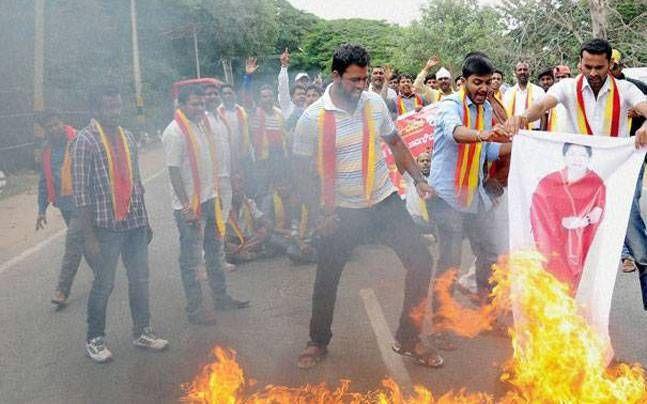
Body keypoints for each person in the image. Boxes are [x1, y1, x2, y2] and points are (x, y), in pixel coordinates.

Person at [293, 44, 441, 369]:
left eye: (364, 80)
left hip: (383, 202)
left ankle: (409, 338)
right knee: (327, 277)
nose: (361, 87)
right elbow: (300, 173)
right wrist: (320, 213)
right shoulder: (311, 118)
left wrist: (418, 179)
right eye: (354, 80)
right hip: (341, 211)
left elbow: (396, 143)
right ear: (336, 76)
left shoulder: (374, 103)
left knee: (420, 261)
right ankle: (317, 341)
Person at [504, 38, 647, 309]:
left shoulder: (626, 89)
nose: (593, 73)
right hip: (576, 186)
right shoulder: (567, 88)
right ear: (579, 63)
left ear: (610, 65)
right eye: (587, 66)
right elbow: (542, 105)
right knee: (568, 252)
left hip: (614, 182)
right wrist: (522, 117)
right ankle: (566, 312)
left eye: (599, 67)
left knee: (639, 248)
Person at [73, 85, 168, 363]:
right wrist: (89, 238)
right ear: (95, 109)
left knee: (140, 279)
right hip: (106, 227)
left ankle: (142, 332)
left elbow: (137, 183)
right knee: (104, 283)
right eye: (107, 107)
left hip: (135, 223)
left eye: (117, 106)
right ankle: (95, 339)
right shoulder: (85, 140)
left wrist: (146, 220)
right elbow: (81, 194)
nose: (114, 112)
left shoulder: (127, 136)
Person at [428, 52, 512, 304]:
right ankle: (441, 324)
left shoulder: (486, 108)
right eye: (478, 82)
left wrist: (520, 143)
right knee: (450, 261)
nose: (484, 88)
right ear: (463, 81)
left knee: (490, 254)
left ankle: (487, 309)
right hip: (446, 197)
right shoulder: (449, 105)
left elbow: (489, 152)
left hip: (475, 196)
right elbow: (456, 133)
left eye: (488, 83)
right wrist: (485, 134)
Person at [162, 85, 249, 327]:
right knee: (190, 260)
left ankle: (221, 297)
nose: (200, 108)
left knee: (215, 251)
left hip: (210, 199)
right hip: (190, 206)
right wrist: (187, 207)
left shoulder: (203, 125)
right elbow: (174, 172)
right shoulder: (175, 132)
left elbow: (209, 162)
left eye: (201, 104)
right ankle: (195, 309)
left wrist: (217, 193)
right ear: (181, 105)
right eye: (195, 104)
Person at [530, 143, 605, 292]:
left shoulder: (596, 181)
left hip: (583, 237)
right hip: (553, 238)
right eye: (572, 154)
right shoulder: (549, 180)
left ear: (589, 158)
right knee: (552, 277)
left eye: (582, 155)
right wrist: (557, 224)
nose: (577, 159)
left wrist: (583, 221)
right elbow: (537, 209)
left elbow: (599, 208)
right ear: (564, 157)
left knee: (578, 281)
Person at [36, 110, 84, 307]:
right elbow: (43, 181)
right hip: (65, 206)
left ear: (63, 123)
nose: (54, 129)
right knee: (86, 246)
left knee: (73, 245)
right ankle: (103, 274)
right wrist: (41, 209)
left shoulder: (79, 140)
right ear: (45, 130)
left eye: (56, 124)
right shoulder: (46, 151)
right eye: (49, 127)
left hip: (85, 204)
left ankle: (62, 290)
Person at [250, 84, 288, 199]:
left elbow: (283, 135)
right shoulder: (254, 113)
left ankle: (279, 216)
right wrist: (248, 77)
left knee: (280, 190)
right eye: (264, 96)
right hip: (262, 159)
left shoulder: (279, 113)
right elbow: (246, 98)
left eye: (270, 96)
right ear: (259, 99)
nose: (268, 99)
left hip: (279, 157)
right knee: (263, 191)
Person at [217, 83, 252, 181]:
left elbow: (248, 132)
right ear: (221, 96)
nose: (227, 96)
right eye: (224, 94)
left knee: (243, 180)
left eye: (229, 93)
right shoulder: (217, 112)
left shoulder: (241, 111)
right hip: (225, 155)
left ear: (234, 95)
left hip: (241, 153)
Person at [503, 61, 545, 129]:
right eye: (519, 70)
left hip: (534, 133)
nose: (522, 72)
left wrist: (542, 134)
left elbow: (543, 115)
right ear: (515, 73)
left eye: (525, 69)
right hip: (513, 131)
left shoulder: (539, 91)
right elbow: (504, 115)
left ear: (529, 72)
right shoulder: (508, 92)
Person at [404, 151, 435, 236]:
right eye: (422, 161)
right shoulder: (410, 177)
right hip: (416, 220)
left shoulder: (436, 178)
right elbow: (402, 161)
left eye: (428, 161)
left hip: (434, 220)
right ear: (416, 164)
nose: (425, 163)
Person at [278, 48, 307, 121]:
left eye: (304, 94)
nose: (302, 96)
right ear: (292, 96)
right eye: (299, 94)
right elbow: (283, 88)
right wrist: (284, 67)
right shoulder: (287, 106)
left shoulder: (309, 109)